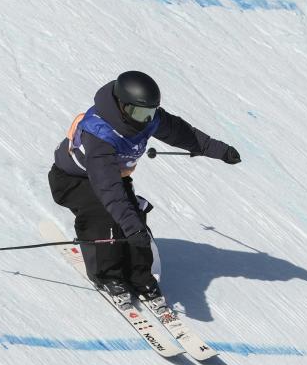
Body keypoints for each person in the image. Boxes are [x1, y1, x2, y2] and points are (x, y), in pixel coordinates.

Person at [48, 71, 240, 306]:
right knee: (104, 217)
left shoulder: (145, 117)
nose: (146, 120)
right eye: (140, 113)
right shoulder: (99, 134)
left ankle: (140, 277)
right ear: (122, 105)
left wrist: (219, 150)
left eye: (150, 112)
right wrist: (130, 228)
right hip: (72, 180)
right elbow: (109, 191)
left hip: (110, 178)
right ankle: (108, 275)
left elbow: (182, 133)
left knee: (135, 219)